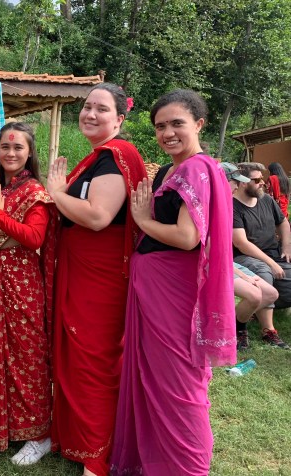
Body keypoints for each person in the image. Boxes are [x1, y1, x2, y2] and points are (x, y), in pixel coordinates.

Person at [111, 89, 236, 475]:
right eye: (160, 126)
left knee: (179, 386)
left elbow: (187, 237)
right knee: (156, 379)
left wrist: (143, 220)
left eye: (177, 123)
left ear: (199, 124)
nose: (167, 133)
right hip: (154, 290)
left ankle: (189, 469)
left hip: (173, 294)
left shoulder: (197, 168)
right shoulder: (171, 169)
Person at [46, 83, 146, 476]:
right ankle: (78, 441)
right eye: (87, 106)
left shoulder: (116, 157)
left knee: (94, 360)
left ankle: (97, 456)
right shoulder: (97, 158)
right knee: (76, 357)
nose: (90, 113)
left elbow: (98, 216)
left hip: (100, 274)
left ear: (119, 118)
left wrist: (57, 193)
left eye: (101, 109)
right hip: (81, 267)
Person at [0, 122, 57, 465]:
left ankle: (39, 435)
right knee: (0, 353)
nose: (10, 153)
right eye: (5, 147)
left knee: (26, 356)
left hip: (22, 283)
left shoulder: (34, 191)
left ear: (30, 152)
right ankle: (5, 427)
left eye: (18, 147)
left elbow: (34, 237)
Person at [221, 162, 280, 351]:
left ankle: (230, 324)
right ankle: (238, 329)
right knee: (255, 294)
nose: (238, 186)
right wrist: (244, 276)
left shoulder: (225, 205)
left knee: (271, 294)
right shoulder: (217, 207)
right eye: (235, 182)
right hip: (213, 263)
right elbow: (212, 252)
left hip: (226, 262)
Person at [232, 162, 291, 349]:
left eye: (262, 179)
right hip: (243, 257)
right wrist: (271, 263)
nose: (263, 183)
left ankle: (250, 312)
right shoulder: (232, 206)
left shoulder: (266, 200)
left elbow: (283, 223)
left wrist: (287, 247)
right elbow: (241, 243)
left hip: (273, 253)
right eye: (257, 180)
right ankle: (268, 331)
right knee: (264, 273)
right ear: (243, 182)